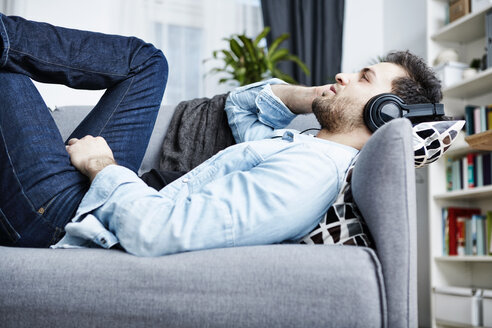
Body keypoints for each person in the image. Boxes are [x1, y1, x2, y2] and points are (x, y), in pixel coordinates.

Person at [0, 14, 442, 256]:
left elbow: (156, 233)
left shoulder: (306, 177)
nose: (343, 74)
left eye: (364, 77)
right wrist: (320, 96)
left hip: (70, 221)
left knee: (8, 76)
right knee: (147, 62)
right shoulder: (304, 145)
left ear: (386, 113)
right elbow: (241, 105)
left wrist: (102, 166)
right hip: (103, 200)